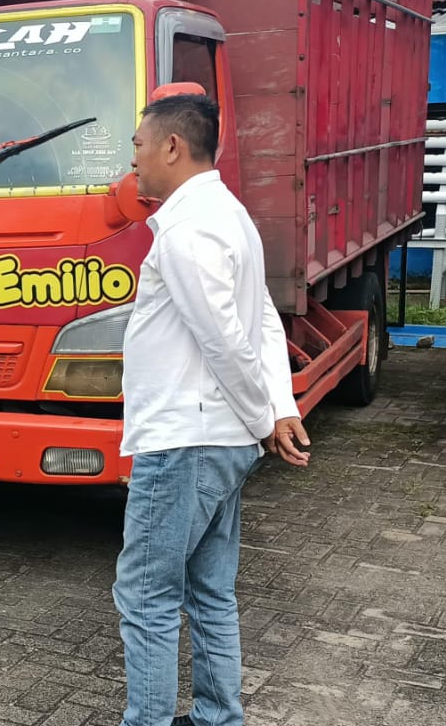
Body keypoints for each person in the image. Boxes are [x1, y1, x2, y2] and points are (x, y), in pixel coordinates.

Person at [114, 92, 312, 726]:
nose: (134, 161)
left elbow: (224, 338)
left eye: (139, 146)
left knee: (146, 595)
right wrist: (275, 407)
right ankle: (218, 717)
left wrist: (266, 416)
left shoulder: (187, 228)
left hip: (186, 439)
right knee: (210, 593)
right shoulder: (230, 215)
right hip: (216, 438)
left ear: (172, 146)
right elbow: (262, 319)